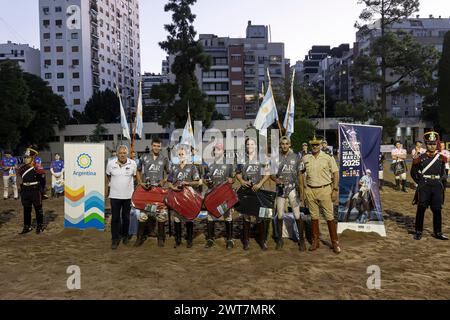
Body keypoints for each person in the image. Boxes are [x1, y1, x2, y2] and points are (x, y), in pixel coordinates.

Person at [299, 135, 341, 254]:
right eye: (313, 144)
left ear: (321, 145)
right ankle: (315, 241)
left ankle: (335, 242)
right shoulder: (305, 158)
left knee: (329, 216)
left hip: (325, 189)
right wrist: (303, 191)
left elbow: (336, 173)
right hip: (310, 190)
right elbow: (301, 174)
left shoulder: (328, 158)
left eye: (317, 144)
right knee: (314, 217)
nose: (315, 146)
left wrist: (335, 189)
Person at [271, 136, 307, 251]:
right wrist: (276, 180)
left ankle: (301, 240)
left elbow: (300, 174)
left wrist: (302, 191)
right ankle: (280, 240)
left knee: (297, 214)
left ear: (290, 144)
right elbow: (271, 174)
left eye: (286, 143)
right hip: (281, 189)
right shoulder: (276, 158)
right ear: (280, 145)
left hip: (292, 189)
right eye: (282, 144)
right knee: (280, 215)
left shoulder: (296, 157)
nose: (284, 145)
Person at [411, 131, 448, 241]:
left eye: (433, 144)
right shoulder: (420, 157)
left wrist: (441, 186)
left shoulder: (441, 158)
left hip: (437, 186)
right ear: (425, 144)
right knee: (421, 208)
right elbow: (413, 173)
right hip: (424, 186)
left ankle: (438, 232)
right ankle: (418, 231)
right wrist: (421, 182)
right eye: (429, 144)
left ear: (436, 144)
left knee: (437, 209)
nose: (431, 146)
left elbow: (443, 174)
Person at [235, 137, 271, 251]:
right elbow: (238, 174)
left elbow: (267, 173)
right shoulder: (241, 159)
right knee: (246, 216)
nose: (249, 146)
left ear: (255, 146)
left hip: (258, 190)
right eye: (248, 144)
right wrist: (242, 181)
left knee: (260, 216)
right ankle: (246, 242)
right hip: (246, 191)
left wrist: (260, 184)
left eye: (252, 144)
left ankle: (262, 241)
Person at [134, 139, 170, 247]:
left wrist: (163, 181)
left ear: (160, 147)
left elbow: (169, 173)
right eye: (154, 145)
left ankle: (161, 238)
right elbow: (138, 170)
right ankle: (139, 238)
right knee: (143, 214)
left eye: (158, 146)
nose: (156, 147)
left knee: (161, 214)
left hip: (158, 190)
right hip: (147, 190)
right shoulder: (144, 157)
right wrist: (140, 182)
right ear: (151, 146)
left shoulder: (164, 158)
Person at [167, 144, 202, 248]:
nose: (181, 155)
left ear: (187, 155)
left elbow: (198, 182)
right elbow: (169, 182)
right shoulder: (174, 167)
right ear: (177, 155)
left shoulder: (192, 167)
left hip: (188, 196)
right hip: (177, 196)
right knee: (177, 218)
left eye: (183, 154)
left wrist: (187, 183)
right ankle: (178, 240)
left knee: (189, 217)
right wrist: (173, 188)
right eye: (180, 154)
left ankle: (189, 240)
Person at [203, 143, 235, 249]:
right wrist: (206, 181)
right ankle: (210, 239)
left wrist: (231, 180)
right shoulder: (209, 164)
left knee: (227, 216)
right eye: (215, 149)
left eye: (219, 149)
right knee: (210, 217)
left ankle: (230, 239)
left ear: (223, 151)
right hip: (212, 194)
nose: (217, 151)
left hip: (224, 195)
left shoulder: (229, 164)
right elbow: (205, 179)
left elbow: (232, 179)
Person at [106, 145, 137, 250]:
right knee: (115, 218)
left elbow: (135, 176)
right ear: (117, 154)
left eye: (124, 153)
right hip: (114, 196)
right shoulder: (110, 164)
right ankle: (115, 239)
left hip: (128, 196)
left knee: (126, 218)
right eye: (120, 153)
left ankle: (125, 237)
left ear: (127, 153)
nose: (122, 155)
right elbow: (108, 176)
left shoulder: (132, 163)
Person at [17, 148, 46, 234]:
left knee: (38, 209)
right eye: (25, 157)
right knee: (26, 209)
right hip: (25, 191)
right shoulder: (22, 168)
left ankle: (40, 226)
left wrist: (41, 190)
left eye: (27, 157)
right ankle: (27, 227)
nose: (25, 159)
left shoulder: (37, 167)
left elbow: (42, 181)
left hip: (35, 190)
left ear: (32, 158)